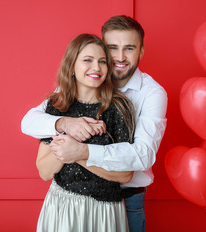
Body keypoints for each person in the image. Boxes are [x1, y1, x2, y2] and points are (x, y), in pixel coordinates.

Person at [22, 15, 168, 232]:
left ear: (141, 51)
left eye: (129, 48)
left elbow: (141, 156)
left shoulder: (149, 95)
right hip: (65, 203)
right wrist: (65, 124)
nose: (119, 56)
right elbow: (30, 122)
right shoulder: (79, 86)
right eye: (111, 48)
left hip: (124, 201)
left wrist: (80, 151)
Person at [35, 33, 135, 232]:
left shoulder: (119, 108)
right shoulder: (57, 106)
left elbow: (125, 174)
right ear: (72, 66)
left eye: (102, 61)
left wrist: (78, 152)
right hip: (62, 207)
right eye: (87, 60)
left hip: (104, 212)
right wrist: (70, 136)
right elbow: (44, 172)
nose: (96, 68)